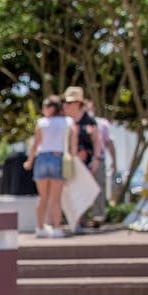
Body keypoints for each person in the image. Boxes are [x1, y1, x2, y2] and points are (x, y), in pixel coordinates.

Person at [23, 94, 73, 238]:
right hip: (58, 158)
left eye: (45, 107)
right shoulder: (67, 121)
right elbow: (71, 141)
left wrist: (29, 161)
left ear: (51, 108)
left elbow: (36, 144)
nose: (43, 110)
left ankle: (40, 228)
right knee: (56, 198)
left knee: (43, 197)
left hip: (42, 158)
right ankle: (57, 228)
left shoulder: (42, 123)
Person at [62, 86, 100, 228]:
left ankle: (88, 218)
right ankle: (74, 221)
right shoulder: (63, 120)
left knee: (85, 189)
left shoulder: (88, 121)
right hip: (68, 162)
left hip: (85, 162)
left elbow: (97, 141)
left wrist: (96, 158)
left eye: (70, 102)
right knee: (70, 191)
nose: (67, 105)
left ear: (78, 103)